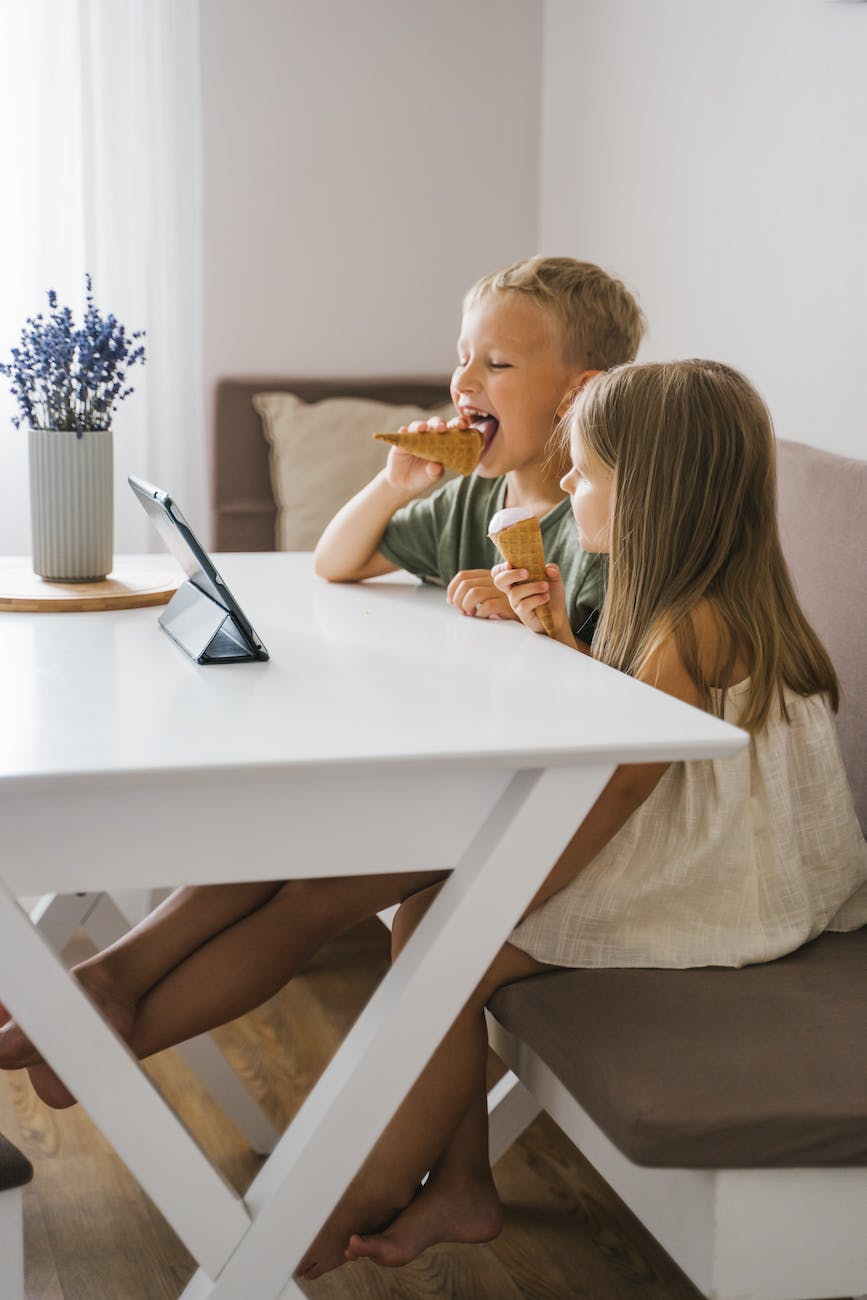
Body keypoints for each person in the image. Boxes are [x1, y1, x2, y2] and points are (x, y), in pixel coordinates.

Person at [8, 359, 865, 1283]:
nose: (568, 486)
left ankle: (352, 1187)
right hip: (665, 839)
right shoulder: (670, 598)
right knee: (375, 879)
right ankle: (447, 1180)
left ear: (649, 493)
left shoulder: (690, 622)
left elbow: (622, 784)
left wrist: (495, 893)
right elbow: (624, 735)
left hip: (720, 882)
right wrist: (556, 640)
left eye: (585, 473)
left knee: (436, 921)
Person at [314, 255, 646, 640]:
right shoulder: (465, 502)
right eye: (463, 359)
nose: (463, 381)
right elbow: (333, 564)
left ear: (576, 396)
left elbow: (625, 681)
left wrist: (536, 622)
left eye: (498, 364)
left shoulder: (607, 532)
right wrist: (393, 486)